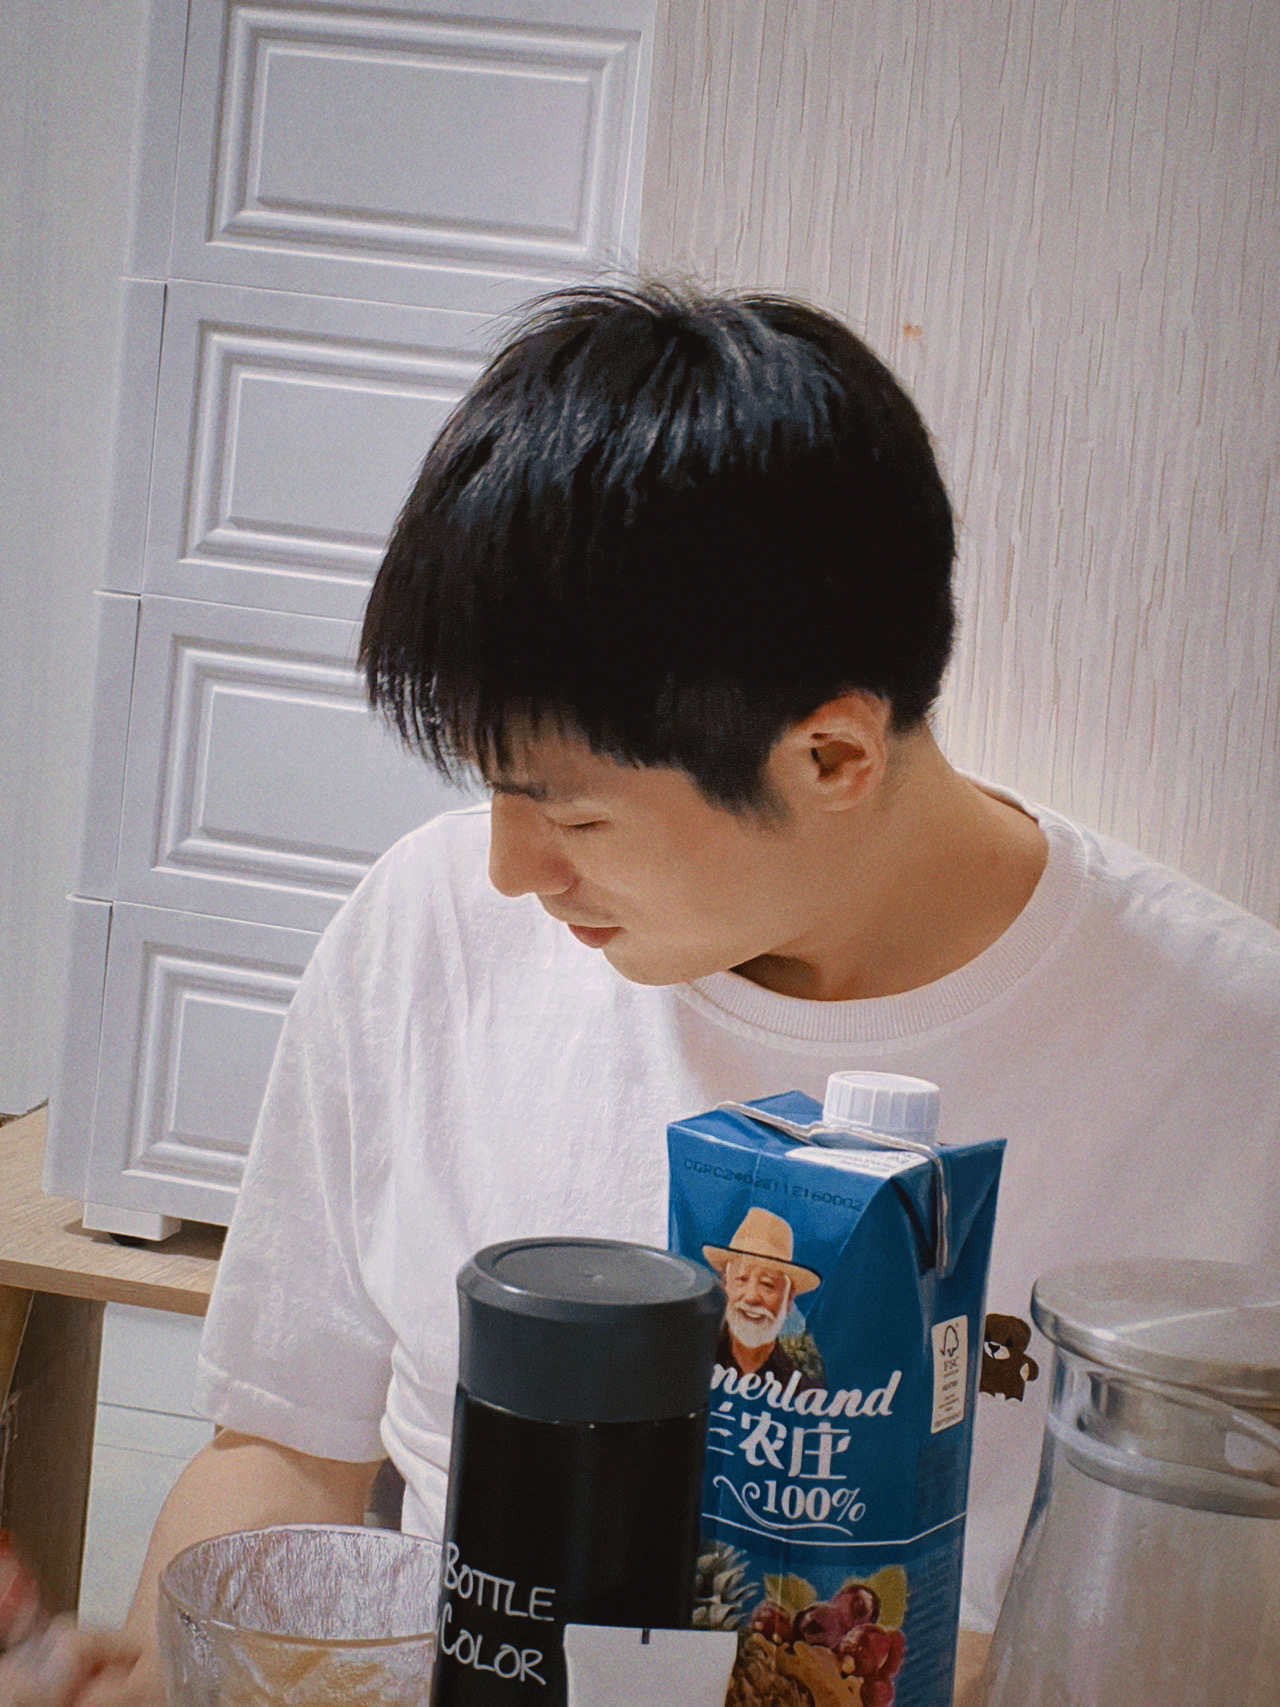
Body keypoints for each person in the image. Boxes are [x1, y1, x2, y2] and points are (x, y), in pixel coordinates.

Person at [10, 283, 1278, 1707]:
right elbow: (284, 1448)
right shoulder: (425, 929)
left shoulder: (1231, 1067)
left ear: (832, 756)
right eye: (493, 789)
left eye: (574, 814)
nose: (507, 871)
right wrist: (176, 1672)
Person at [704, 1208, 824, 1387]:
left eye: (768, 1285)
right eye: (741, 1279)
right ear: (724, 1286)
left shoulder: (800, 1389)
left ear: (789, 1300)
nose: (752, 1297)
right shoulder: (693, 1356)